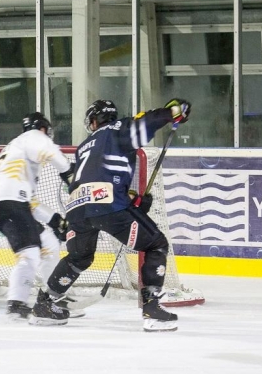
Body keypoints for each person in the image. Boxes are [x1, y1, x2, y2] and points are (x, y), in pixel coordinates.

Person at [46, 98, 191, 332]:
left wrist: (134, 202)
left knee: (79, 257)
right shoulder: (118, 129)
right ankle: (152, 307)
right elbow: (146, 123)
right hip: (108, 205)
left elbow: (97, 178)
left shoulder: (83, 146)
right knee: (156, 244)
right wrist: (172, 112)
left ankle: (45, 303)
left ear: (93, 121)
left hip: (77, 208)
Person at [0, 112, 73, 326]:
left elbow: (27, 200)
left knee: (48, 242)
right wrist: (70, 174)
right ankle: (17, 304)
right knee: (29, 254)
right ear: (43, 129)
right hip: (6, 203)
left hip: (2, 204)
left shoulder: (17, 152)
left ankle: (54, 295)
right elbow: (51, 152)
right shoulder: (33, 137)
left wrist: (54, 219)